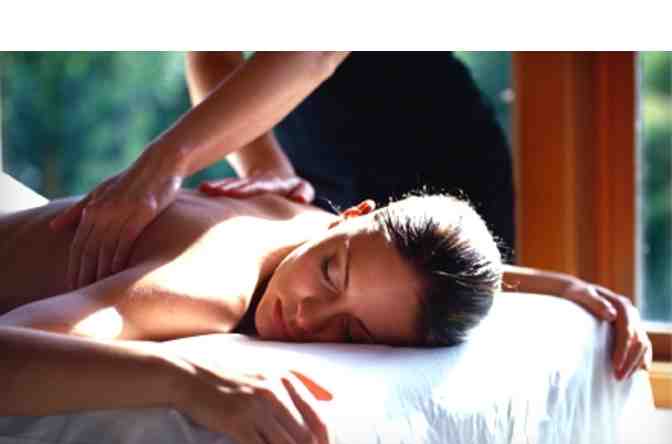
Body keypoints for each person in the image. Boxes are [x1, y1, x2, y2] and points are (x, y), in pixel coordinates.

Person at [0, 173, 651, 444]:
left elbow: (395, 269)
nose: (307, 318)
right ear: (351, 216)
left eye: (351, 331)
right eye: (330, 274)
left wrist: (556, 283)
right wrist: (188, 381)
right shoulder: (204, 286)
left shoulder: (310, 225)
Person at [49, 52, 515, 292]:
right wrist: (264, 165)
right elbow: (213, 51)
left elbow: (319, 48)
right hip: (303, 161)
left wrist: (161, 164)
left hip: (434, 150)